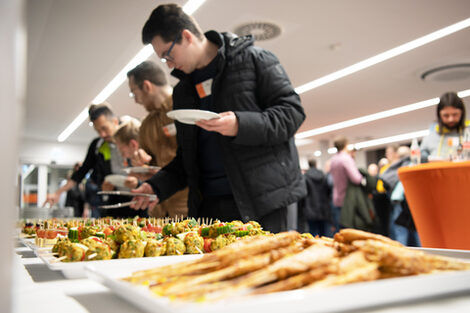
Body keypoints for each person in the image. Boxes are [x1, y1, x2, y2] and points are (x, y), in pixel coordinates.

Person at [130, 3, 306, 233]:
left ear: (187, 36)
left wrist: (239, 125)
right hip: (210, 207)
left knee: (269, 268)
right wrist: (155, 187)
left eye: (168, 55)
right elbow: (187, 159)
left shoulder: (254, 59)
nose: (169, 65)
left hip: (265, 201)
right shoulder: (183, 91)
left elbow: (292, 113)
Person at [44, 103, 146, 218]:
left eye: (104, 128)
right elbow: (80, 173)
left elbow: (152, 169)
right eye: (98, 131)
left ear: (115, 122)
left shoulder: (134, 135)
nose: (102, 134)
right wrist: (58, 192)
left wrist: (139, 183)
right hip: (113, 204)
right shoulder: (97, 146)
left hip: (140, 202)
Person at [127, 60, 189, 219]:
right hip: (158, 210)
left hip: (187, 208)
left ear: (146, 86)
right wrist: (141, 162)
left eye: (134, 93)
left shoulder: (186, 107)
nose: (135, 100)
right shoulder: (146, 125)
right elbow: (149, 164)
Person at [420, 92, 469, 161]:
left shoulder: (468, 133)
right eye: (446, 115)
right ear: (439, 115)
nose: (450, 119)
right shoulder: (431, 137)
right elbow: (420, 156)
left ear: (462, 113)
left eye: (455, 114)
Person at [329, 137, 363, 232]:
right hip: (347, 200)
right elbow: (356, 179)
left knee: (339, 230)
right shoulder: (346, 159)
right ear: (345, 145)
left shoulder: (333, 160)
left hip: (336, 198)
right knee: (348, 231)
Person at [299, 159, 333, 237]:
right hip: (323, 208)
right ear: (316, 164)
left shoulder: (305, 177)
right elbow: (328, 192)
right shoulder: (323, 176)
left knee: (312, 233)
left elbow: (304, 193)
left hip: (310, 209)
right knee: (324, 234)